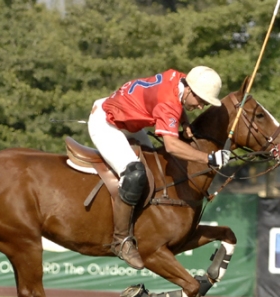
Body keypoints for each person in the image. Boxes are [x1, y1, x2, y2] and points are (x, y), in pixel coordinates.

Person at [87, 66, 232, 270]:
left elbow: (177, 101)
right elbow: (171, 145)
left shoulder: (181, 78)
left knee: (154, 169)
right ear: (189, 90)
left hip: (127, 120)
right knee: (135, 174)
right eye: (200, 100)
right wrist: (209, 158)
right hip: (107, 123)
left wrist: (184, 121)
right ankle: (121, 241)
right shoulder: (168, 103)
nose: (200, 106)